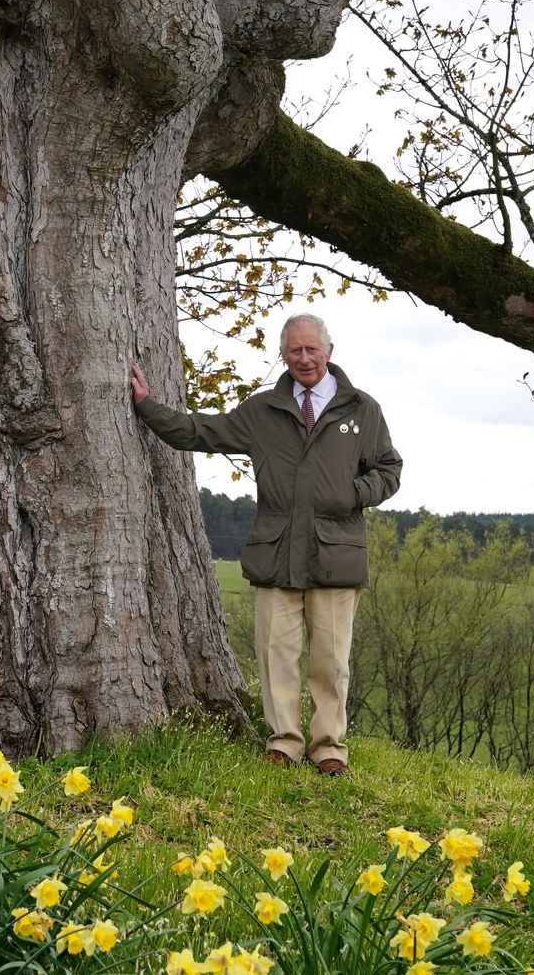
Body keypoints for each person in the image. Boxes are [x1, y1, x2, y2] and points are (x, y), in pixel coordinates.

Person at [129, 314, 401, 775]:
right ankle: (285, 742)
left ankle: (329, 748)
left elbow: (389, 470)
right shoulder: (263, 410)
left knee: (331, 661)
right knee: (276, 655)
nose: (304, 358)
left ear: (329, 351)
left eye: (312, 349)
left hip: (336, 555)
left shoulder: (362, 409)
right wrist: (148, 407)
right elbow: (200, 432)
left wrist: (356, 493)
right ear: (283, 355)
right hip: (275, 554)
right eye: (295, 350)